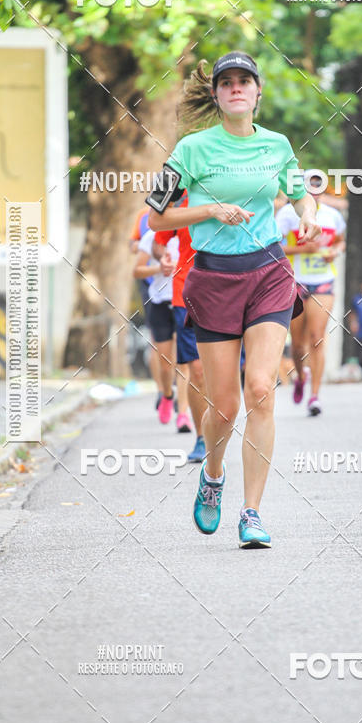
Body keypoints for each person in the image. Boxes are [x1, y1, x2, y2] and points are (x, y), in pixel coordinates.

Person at [148, 50, 320, 548]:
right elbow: (157, 217)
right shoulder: (189, 149)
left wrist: (307, 214)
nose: (237, 88)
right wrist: (208, 210)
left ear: (258, 92)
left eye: (246, 81)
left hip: (267, 271)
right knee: (223, 407)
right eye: (227, 83)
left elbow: (300, 190)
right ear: (218, 95)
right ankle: (214, 475)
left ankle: (252, 513)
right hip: (213, 278)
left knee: (261, 389)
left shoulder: (278, 145)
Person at [276, 177, 346, 415]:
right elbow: (272, 246)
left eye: (319, 188)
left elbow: (340, 241)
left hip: (323, 281)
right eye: (310, 188)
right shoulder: (287, 214)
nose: (314, 193)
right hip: (294, 281)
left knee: (317, 338)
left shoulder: (332, 216)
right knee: (297, 344)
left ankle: (315, 396)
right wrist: (301, 249)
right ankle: (300, 376)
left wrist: (334, 251)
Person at [152, 195, 208, 462]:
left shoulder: (230, 188)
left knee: (226, 373)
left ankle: (222, 427)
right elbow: (158, 241)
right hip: (186, 293)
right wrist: (162, 258)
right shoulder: (180, 197)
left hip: (229, 295)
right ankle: (201, 438)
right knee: (196, 370)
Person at [133, 228, 180, 424]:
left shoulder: (190, 231)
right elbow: (137, 270)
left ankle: (184, 413)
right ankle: (167, 395)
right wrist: (159, 269)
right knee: (165, 361)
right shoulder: (151, 236)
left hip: (183, 300)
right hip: (159, 301)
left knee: (186, 361)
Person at [130, 207, 163, 404]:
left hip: (180, 285)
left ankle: (176, 391)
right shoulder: (143, 215)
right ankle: (162, 391)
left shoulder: (189, 209)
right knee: (157, 340)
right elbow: (132, 245)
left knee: (178, 341)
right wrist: (148, 245)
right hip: (152, 285)